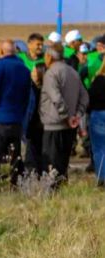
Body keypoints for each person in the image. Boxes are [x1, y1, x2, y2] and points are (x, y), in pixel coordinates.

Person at [0, 40, 32, 184]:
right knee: (14, 155)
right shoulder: (24, 69)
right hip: (16, 120)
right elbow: (27, 96)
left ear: (1, 52)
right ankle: (14, 183)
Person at [39, 43, 89, 186]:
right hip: (69, 127)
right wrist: (76, 116)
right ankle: (61, 193)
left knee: (51, 164)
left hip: (53, 126)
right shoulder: (73, 72)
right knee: (63, 164)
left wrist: (67, 116)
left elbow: (56, 98)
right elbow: (84, 97)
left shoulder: (51, 74)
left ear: (49, 56)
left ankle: (51, 195)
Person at [24, 64, 46, 175]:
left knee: (32, 151)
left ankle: (32, 172)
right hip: (41, 125)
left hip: (34, 124)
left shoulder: (34, 89)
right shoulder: (44, 89)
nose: (31, 73)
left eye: (34, 71)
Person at [88, 61, 105, 184]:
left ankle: (102, 177)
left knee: (99, 148)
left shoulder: (99, 80)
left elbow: (90, 98)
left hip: (98, 114)